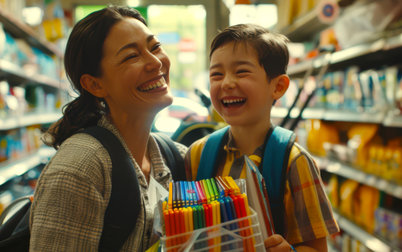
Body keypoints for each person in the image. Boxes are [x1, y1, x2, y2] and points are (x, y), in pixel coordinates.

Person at [29, 6, 186, 251]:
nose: (156, 62)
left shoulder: (172, 155)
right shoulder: (79, 168)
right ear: (94, 84)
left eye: (155, 46)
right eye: (131, 56)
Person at [185, 24, 339, 251]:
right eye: (216, 74)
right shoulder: (198, 154)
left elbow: (317, 247)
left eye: (241, 72)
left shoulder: (294, 162)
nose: (226, 83)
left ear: (278, 87)